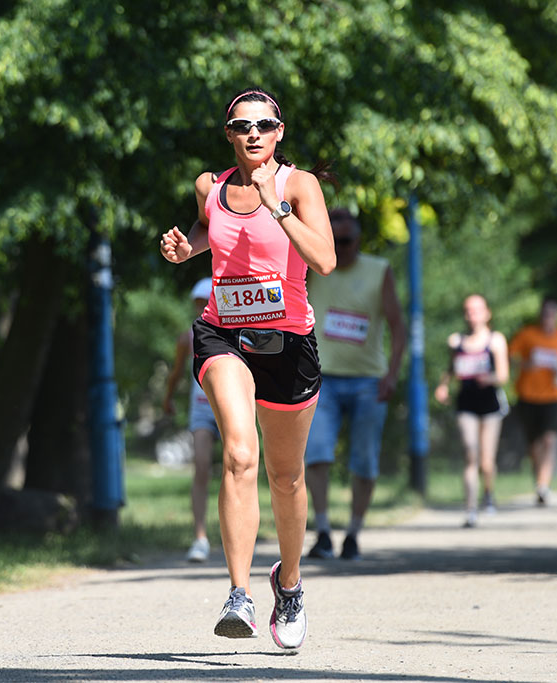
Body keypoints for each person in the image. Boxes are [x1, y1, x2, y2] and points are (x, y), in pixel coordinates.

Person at [159, 86, 335, 650]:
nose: (252, 133)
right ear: (228, 135)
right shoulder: (209, 187)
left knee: (286, 477)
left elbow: (325, 260)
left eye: (263, 125)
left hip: (287, 341)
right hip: (223, 332)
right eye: (241, 126)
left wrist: (275, 204)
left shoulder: (298, 185)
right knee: (239, 453)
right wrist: (186, 251)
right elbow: (216, 237)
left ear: (279, 132)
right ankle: (238, 595)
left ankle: (289, 583)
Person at [303, 208, 407, 560]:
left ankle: (353, 534)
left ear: (358, 240)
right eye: (335, 241)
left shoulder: (379, 270)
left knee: (364, 459)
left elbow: (398, 327)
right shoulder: (314, 268)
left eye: (346, 241)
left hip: (367, 381)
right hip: (322, 379)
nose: (341, 247)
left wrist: (391, 375)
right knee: (316, 453)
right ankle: (322, 531)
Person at [434, 294, 509, 528]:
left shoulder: (496, 341)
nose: (472, 314)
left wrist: (489, 378)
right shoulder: (455, 341)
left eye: (477, 310)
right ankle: (470, 509)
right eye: (468, 310)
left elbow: (503, 375)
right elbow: (451, 368)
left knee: (486, 461)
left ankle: (488, 492)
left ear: (487, 313)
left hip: (490, 405)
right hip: (465, 404)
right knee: (470, 453)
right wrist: (443, 385)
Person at [162, 278, 222, 563]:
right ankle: (200, 537)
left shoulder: (233, 332)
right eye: (198, 304)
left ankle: (239, 532)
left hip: (231, 408)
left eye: (206, 303)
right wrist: (168, 398)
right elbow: (175, 373)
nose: (202, 308)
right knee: (201, 467)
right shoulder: (188, 337)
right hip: (201, 409)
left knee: (239, 468)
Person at [509, 299, 557, 506]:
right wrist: (525, 363)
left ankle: (543, 484)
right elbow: (511, 357)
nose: (548, 317)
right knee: (534, 443)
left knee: (549, 439)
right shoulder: (527, 334)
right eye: (545, 313)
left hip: (554, 396)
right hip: (528, 395)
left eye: (552, 313)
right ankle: (539, 476)